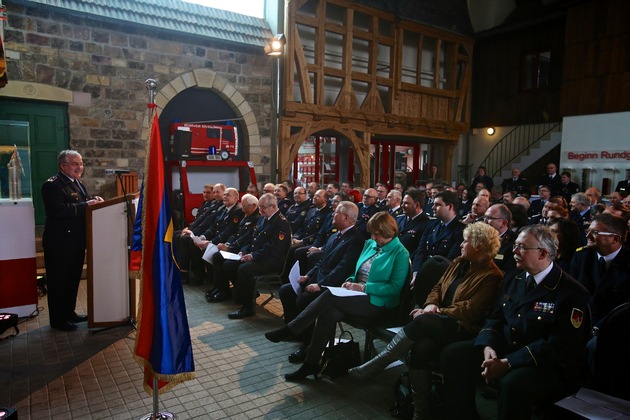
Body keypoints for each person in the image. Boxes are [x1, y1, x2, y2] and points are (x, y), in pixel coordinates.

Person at [348, 223, 503, 418]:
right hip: (438, 319)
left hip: (463, 326)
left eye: (466, 241)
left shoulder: (492, 275)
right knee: (420, 348)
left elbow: (471, 309)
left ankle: (378, 364)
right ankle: (422, 411)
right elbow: (438, 288)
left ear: (479, 246)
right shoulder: (458, 262)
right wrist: (430, 305)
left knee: (422, 322)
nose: (461, 244)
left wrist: (436, 312)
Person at [441, 225, 589, 420]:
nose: (514, 251)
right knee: (454, 355)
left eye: (521, 247)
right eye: (515, 245)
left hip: (546, 364)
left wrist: (508, 362)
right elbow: (495, 316)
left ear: (542, 253)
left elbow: (559, 345)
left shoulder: (571, 292)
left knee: (513, 384)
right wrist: (488, 345)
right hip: (507, 347)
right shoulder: (514, 277)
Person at [264, 212, 409, 381]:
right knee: (328, 313)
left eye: (377, 234)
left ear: (388, 231)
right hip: (356, 295)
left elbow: (394, 288)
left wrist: (363, 287)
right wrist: (349, 282)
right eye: (372, 233)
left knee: (329, 296)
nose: (373, 237)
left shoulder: (400, 252)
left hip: (378, 302)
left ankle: (291, 329)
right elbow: (356, 272)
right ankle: (310, 364)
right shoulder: (370, 244)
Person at [278, 201, 364, 363]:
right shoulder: (334, 235)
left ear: (345, 217)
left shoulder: (355, 239)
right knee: (286, 290)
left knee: (304, 299)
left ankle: (309, 344)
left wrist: (320, 284)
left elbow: (342, 270)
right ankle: (297, 332)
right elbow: (321, 262)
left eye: (336, 212)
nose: (332, 214)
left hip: (333, 286)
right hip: (319, 279)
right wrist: (308, 276)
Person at [41, 150, 104, 331]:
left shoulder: (77, 183)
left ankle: (69, 313)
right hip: (59, 243)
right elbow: (58, 211)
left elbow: (81, 202)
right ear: (63, 166)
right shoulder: (52, 185)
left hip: (76, 241)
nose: (80, 167)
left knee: (72, 280)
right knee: (58, 282)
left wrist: (93, 200)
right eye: (75, 164)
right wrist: (87, 205)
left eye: (81, 163)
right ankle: (58, 320)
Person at [568, 214, 630, 373]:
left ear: (615, 239)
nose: (587, 235)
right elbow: (570, 293)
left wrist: (599, 327)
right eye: (588, 230)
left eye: (595, 233)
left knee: (595, 347)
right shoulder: (581, 256)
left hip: (612, 327)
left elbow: (625, 308)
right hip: (579, 321)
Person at [224, 193, 292, 319]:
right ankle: (249, 294)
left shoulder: (281, 223)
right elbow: (252, 238)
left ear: (273, 206)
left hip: (271, 260)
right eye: (259, 207)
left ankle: (247, 307)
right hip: (258, 256)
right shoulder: (263, 218)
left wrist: (253, 256)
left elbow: (273, 248)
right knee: (229, 264)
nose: (260, 210)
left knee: (244, 269)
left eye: (263, 207)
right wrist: (244, 251)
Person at [206, 193, 260, 302]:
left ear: (253, 206)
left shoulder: (257, 218)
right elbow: (236, 234)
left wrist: (230, 247)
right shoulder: (247, 215)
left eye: (245, 207)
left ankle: (246, 292)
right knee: (217, 256)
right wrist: (227, 244)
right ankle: (221, 288)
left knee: (228, 264)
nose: (243, 209)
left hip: (245, 250)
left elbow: (247, 237)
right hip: (238, 247)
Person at [411, 191, 465, 280]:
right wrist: (416, 272)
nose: (433, 207)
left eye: (438, 205)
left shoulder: (460, 230)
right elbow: (421, 250)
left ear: (450, 207)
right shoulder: (431, 224)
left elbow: (450, 260)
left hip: (441, 277)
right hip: (422, 272)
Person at [484, 204, 517, 275]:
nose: (485, 221)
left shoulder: (514, 243)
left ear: (504, 223)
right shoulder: (481, 238)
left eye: (489, 218)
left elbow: (509, 273)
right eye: (485, 217)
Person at [396, 189, 430, 254]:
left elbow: (420, 250)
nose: (402, 206)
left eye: (406, 203)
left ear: (417, 205)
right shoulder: (399, 219)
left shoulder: (426, 223)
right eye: (402, 202)